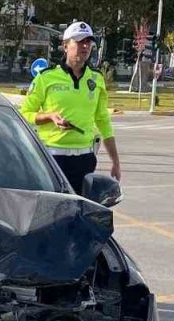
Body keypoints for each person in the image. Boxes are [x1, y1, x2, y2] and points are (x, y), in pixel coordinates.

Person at [19, 20, 121, 195]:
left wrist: (115, 161)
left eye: (88, 42)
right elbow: (24, 114)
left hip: (85, 159)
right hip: (53, 158)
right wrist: (49, 116)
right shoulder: (46, 78)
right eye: (79, 41)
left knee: (80, 211)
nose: (85, 46)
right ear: (65, 46)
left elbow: (103, 121)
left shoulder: (96, 79)